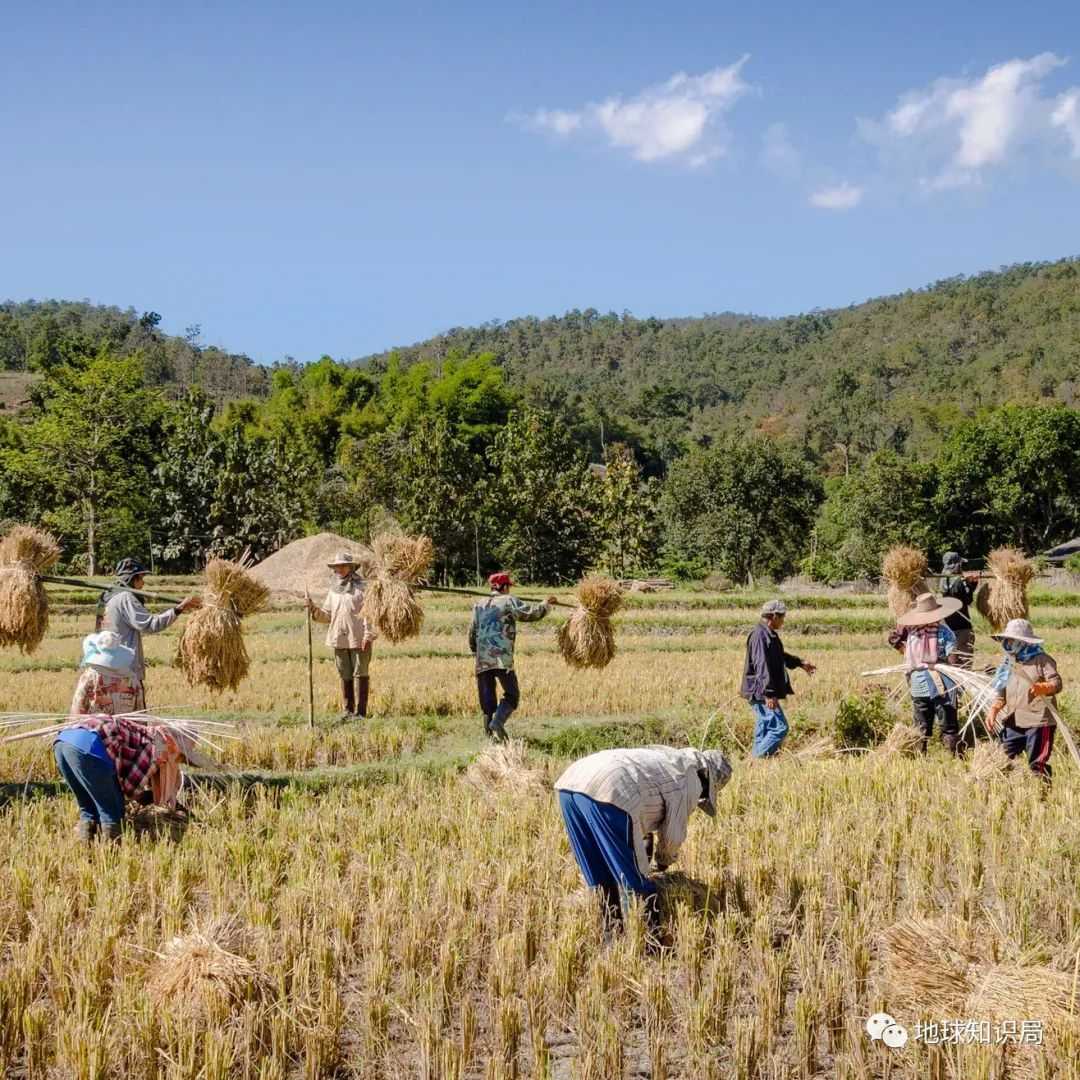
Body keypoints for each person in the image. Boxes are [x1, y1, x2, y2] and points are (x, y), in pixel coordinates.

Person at [555, 746, 733, 934]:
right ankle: (650, 942)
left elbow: (643, 808)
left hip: (571, 784)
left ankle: (612, 937)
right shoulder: (690, 780)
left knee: (599, 875)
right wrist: (663, 862)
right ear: (707, 780)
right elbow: (672, 836)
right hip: (612, 790)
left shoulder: (668, 758)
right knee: (634, 884)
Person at [53, 714, 210, 841]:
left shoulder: (146, 732)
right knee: (112, 813)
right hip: (89, 747)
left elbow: (123, 774)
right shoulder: (161, 744)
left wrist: (138, 795)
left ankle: (87, 853)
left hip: (62, 742)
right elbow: (130, 786)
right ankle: (110, 858)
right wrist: (142, 797)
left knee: (88, 810)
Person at [99, 558, 201, 706]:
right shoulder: (125, 598)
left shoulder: (108, 597)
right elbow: (151, 624)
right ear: (133, 579)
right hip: (124, 673)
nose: (143, 583)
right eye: (141, 578)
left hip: (106, 667)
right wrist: (179, 609)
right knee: (131, 718)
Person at [468, 572, 555, 741]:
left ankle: (490, 737)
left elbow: (472, 632)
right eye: (508, 586)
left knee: (487, 700)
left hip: (482, 660)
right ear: (504, 586)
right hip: (502, 659)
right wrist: (545, 605)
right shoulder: (508, 601)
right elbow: (529, 613)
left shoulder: (478, 605)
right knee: (512, 695)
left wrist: (476, 653)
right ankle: (497, 723)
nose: (509, 589)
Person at [985, 618, 1062, 782]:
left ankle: (1041, 789)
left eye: (1012, 640)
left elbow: (1056, 683)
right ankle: (1003, 786)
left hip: (1039, 722)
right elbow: (1002, 690)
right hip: (1014, 720)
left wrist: (1044, 687)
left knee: (1037, 764)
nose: (1008, 643)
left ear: (1024, 642)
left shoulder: (1042, 660)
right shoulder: (1009, 662)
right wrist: (994, 709)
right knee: (1001, 755)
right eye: (1007, 640)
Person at [888, 592, 963, 754]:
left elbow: (896, 642)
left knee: (921, 725)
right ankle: (955, 756)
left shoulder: (913, 634)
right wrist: (959, 674)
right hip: (941, 685)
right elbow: (953, 659)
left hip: (918, 686)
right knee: (949, 726)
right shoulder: (944, 632)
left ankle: (920, 755)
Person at [740, 599, 816, 757]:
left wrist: (800, 663)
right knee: (779, 728)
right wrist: (769, 693)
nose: (783, 621)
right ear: (774, 616)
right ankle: (756, 760)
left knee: (764, 727)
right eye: (782, 617)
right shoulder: (759, 636)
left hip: (761, 690)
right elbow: (761, 665)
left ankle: (756, 763)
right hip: (760, 691)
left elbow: (779, 656)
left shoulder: (769, 635)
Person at [308, 551, 377, 720]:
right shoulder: (334, 590)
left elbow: (370, 613)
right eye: (337, 567)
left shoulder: (362, 588)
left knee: (360, 673)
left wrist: (368, 635)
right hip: (339, 638)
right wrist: (313, 609)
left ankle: (360, 713)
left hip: (359, 637)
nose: (339, 569)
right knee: (344, 674)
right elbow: (327, 615)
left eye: (343, 566)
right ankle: (348, 711)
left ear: (351, 568)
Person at [70, 632, 142, 717]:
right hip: (126, 724)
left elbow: (78, 708)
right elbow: (139, 712)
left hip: (96, 725)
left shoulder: (90, 676)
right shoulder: (131, 677)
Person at [939, 551, 980, 668]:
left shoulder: (942, 580)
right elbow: (967, 600)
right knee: (964, 659)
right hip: (962, 624)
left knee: (950, 658)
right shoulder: (959, 581)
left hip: (947, 624)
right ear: (956, 564)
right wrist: (972, 584)